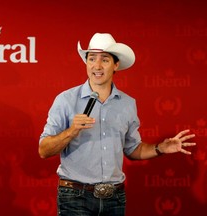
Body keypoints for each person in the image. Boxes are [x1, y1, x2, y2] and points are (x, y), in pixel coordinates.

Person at [38, 33, 196, 216]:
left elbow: (132, 149)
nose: (97, 66)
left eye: (104, 60)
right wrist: (71, 131)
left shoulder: (127, 103)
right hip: (75, 197)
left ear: (116, 65)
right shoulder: (65, 100)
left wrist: (160, 148)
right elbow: (44, 150)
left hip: (115, 198)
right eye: (91, 59)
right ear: (86, 63)